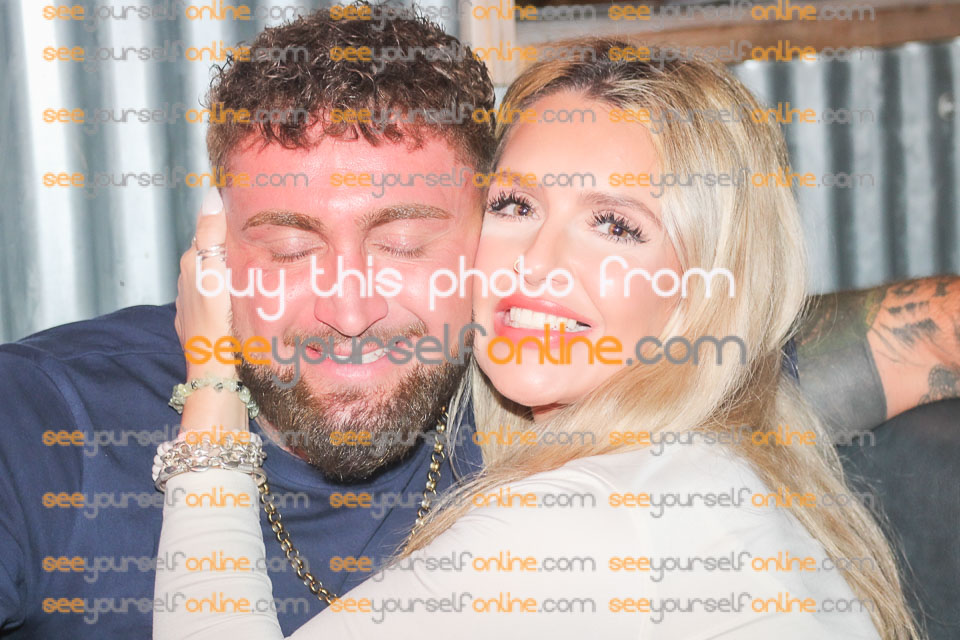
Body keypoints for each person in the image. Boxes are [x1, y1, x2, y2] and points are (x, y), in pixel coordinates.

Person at [0, 5, 957, 638]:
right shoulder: (52, 421)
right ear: (211, 250)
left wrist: (212, 393)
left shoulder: (626, 477)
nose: (347, 310)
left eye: (403, 243)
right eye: (289, 248)